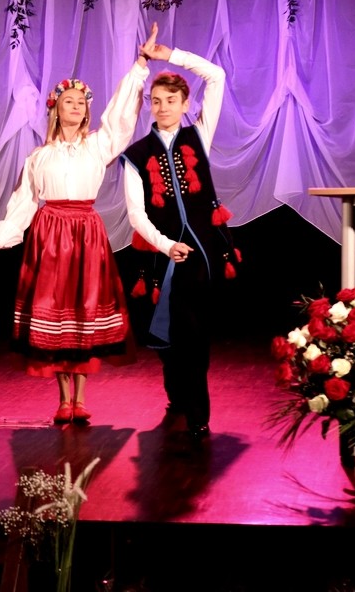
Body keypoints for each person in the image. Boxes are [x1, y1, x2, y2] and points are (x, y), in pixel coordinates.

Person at [0, 24, 166, 425]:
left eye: (81, 101)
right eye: (69, 101)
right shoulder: (39, 157)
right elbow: (24, 200)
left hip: (85, 233)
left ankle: (81, 397)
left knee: (83, 314)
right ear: (56, 109)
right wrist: (3, 235)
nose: (76, 106)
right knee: (55, 315)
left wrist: (140, 65)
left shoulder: (97, 146)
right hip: (50, 235)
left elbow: (120, 119)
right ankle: (64, 399)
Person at [121, 38, 239, 441]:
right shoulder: (137, 154)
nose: (163, 107)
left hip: (202, 252)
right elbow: (136, 213)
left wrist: (170, 55)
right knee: (168, 333)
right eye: (156, 101)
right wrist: (165, 244)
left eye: (171, 100)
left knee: (194, 330)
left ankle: (198, 411)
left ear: (186, 103)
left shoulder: (198, 135)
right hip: (162, 256)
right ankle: (177, 392)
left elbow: (216, 76)